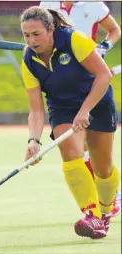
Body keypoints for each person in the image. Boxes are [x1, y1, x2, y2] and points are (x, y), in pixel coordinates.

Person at [21, 6, 119, 239]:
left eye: (36, 34)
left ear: (50, 29)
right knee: (70, 153)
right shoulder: (28, 59)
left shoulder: (76, 40)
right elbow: (36, 109)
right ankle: (91, 214)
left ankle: (104, 213)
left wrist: (85, 110)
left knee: (102, 170)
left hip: (97, 101)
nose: (31, 40)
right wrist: (33, 140)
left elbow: (104, 75)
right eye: (26, 35)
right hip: (62, 107)